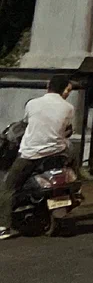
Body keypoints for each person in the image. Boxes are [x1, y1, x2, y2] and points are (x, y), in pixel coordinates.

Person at [0, 75, 76, 240]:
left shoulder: (32, 103)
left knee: (9, 186)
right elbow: (67, 130)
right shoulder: (69, 108)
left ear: (48, 85)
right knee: (71, 165)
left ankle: (4, 227)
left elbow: (25, 123)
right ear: (64, 90)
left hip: (31, 154)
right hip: (58, 153)